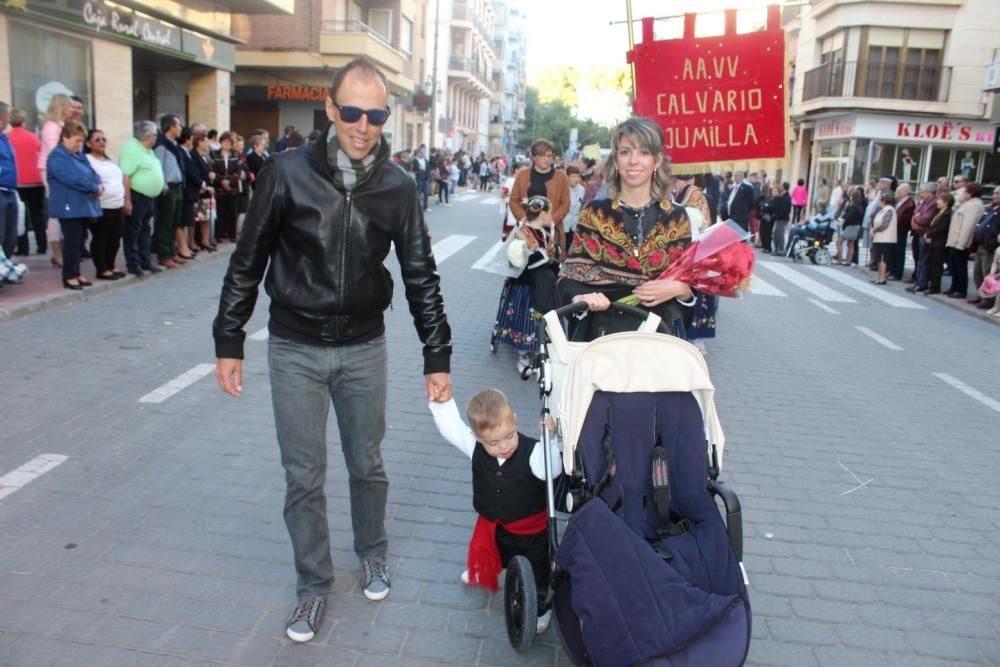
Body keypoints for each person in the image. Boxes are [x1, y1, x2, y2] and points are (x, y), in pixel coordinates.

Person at [213, 56, 453, 645]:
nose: (362, 124)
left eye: (374, 114)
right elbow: (248, 262)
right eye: (351, 111)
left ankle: (372, 552)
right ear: (329, 108)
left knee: (366, 462)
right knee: (304, 475)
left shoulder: (397, 184)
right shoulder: (285, 172)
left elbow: (421, 273)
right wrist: (230, 339)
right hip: (294, 347)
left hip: (364, 348)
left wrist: (437, 355)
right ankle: (313, 585)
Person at [428, 388, 562, 636]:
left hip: (531, 531)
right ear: (476, 437)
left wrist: (549, 441)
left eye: (509, 436)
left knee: (539, 569)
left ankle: (542, 608)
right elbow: (452, 428)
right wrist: (440, 403)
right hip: (496, 524)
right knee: (495, 548)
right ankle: (485, 568)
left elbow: (549, 471)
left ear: (514, 418)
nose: (504, 446)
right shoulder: (474, 446)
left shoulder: (532, 451)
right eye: (493, 442)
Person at [558, 116, 695, 339]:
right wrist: (580, 298)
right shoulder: (595, 212)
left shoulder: (677, 218)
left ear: (657, 160)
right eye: (625, 151)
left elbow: (690, 286)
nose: (633, 160)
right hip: (603, 337)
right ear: (616, 159)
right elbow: (569, 277)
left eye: (643, 152)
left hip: (659, 340)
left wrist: (681, 289)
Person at [493, 195, 560, 374]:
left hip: (543, 285)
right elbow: (521, 260)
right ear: (543, 213)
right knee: (526, 321)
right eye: (550, 212)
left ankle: (536, 354)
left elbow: (550, 257)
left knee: (539, 319)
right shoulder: (522, 232)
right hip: (525, 285)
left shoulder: (545, 233)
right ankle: (524, 356)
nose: (551, 216)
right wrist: (545, 257)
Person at [46, 120, 101, 290]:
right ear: (65, 137)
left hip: (82, 204)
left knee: (79, 241)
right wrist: (93, 187)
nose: (79, 144)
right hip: (68, 205)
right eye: (76, 140)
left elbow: (92, 173)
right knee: (71, 241)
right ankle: (69, 275)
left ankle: (77, 272)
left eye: (81, 141)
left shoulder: (78, 155)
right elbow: (71, 178)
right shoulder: (57, 157)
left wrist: (97, 183)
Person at [509, 139, 571, 260]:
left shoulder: (561, 177)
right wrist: (524, 218)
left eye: (549, 155)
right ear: (534, 157)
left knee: (550, 270)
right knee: (525, 268)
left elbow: (566, 203)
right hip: (527, 231)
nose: (547, 159)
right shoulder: (523, 176)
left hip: (551, 232)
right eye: (542, 156)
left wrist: (550, 220)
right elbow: (513, 200)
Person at [120, 121, 165, 277]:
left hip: (148, 197)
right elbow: (125, 176)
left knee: (145, 229)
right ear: (148, 135)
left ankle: (145, 261)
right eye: (155, 135)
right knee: (133, 231)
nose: (156, 138)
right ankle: (133, 263)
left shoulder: (147, 150)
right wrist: (127, 200)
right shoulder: (132, 149)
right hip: (136, 195)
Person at [84, 129, 126, 280]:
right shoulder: (87, 160)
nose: (102, 142)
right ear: (88, 144)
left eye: (103, 139)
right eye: (97, 140)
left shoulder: (108, 160)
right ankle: (101, 269)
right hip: (102, 205)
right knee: (101, 238)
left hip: (117, 204)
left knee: (115, 238)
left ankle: (111, 265)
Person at [38, 93, 73, 267]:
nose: (72, 109)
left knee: (62, 211)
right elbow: (55, 153)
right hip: (53, 171)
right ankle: (57, 253)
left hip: (62, 170)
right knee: (56, 212)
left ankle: (62, 252)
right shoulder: (51, 127)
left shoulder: (61, 125)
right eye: (69, 106)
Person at [8, 107, 46, 257]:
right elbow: (41, 151)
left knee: (21, 215)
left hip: (17, 181)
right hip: (36, 180)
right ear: (24, 121)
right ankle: (42, 245)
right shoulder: (33, 137)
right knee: (38, 214)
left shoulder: (7, 138)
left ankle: (23, 248)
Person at [153, 114, 187, 268]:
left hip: (178, 186)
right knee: (165, 221)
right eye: (178, 125)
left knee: (175, 221)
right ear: (171, 127)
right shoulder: (161, 145)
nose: (180, 128)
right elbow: (158, 167)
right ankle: (164, 254)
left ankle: (172, 251)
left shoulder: (174, 144)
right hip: (168, 187)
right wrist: (163, 186)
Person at [945, 182, 984, 299]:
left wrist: (961, 243)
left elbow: (968, 225)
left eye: (965, 192)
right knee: (954, 265)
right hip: (956, 240)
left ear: (970, 193)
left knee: (960, 266)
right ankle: (954, 287)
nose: (963, 194)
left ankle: (961, 289)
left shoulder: (974, 205)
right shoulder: (968, 204)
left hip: (960, 241)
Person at [970, 188, 1000, 307]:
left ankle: (988, 300)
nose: (994, 195)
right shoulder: (991, 209)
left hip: (990, 247)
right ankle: (980, 295)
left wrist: (993, 243)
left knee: (987, 273)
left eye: (997, 193)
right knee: (977, 273)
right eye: (994, 193)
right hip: (981, 245)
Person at [212, 132, 242, 243]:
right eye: (225, 141)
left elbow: (238, 172)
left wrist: (229, 181)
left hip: (232, 188)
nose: (227, 144)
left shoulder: (236, 155)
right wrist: (222, 181)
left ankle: (232, 235)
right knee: (220, 212)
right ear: (221, 142)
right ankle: (219, 235)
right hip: (219, 188)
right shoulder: (214, 154)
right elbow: (213, 169)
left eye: (229, 142)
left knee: (232, 212)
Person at [190, 133, 217, 253]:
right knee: (196, 218)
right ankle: (192, 241)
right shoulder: (193, 156)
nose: (207, 144)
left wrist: (212, 175)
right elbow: (194, 173)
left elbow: (208, 170)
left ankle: (205, 240)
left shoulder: (206, 156)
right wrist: (203, 185)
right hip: (198, 190)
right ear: (199, 142)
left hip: (207, 190)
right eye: (205, 141)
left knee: (206, 217)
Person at [923, 192, 953, 295]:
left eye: (940, 200)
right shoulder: (939, 212)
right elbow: (931, 224)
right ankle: (931, 284)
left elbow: (941, 228)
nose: (937, 201)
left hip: (939, 243)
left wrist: (930, 235)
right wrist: (927, 234)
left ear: (946, 202)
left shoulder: (948, 214)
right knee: (931, 264)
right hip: (933, 241)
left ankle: (935, 287)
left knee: (937, 266)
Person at [0, 102, 18, 260]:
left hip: (10, 190)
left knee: (10, 235)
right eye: (8, 116)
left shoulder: (5, 138)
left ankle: (4, 269)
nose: (9, 120)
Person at [869, 191, 897, 285]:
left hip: (886, 239)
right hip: (880, 238)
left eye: (880, 200)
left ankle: (882, 278)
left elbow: (884, 224)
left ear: (884, 201)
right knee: (879, 258)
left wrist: (874, 230)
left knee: (883, 259)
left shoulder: (889, 210)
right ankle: (879, 277)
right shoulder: (883, 210)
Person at [835, 188, 865, 266]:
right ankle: (849, 261)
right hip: (856, 226)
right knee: (850, 243)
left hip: (850, 226)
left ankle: (840, 259)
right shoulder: (859, 207)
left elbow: (848, 217)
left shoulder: (853, 206)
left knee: (839, 241)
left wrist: (843, 220)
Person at [564, 164, 585, 251]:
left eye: (578, 176)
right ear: (567, 176)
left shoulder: (582, 189)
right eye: (573, 176)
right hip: (564, 222)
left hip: (575, 223)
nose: (576, 179)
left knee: (571, 247)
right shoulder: (563, 188)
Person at [771, 181, 792, 256]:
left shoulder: (786, 197)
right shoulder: (782, 196)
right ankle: (777, 248)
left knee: (780, 234)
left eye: (781, 186)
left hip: (782, 218)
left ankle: (780, 249)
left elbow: (784, 209)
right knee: (776, 234)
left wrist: (779, 216)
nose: (780, 187)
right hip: (779, 217)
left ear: (783, 187)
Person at [411, 144, 431, 211]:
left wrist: (428, 177)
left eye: (424, 152)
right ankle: (418, 208)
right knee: (418, 194)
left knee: (426, 194)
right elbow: (412, 170)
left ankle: (425, 207)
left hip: (425, 179)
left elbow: (428, 169)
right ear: (418, 153)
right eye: (422, 152)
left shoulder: (426, 161)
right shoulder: (414, 160)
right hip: (418, 179)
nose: (423, 154)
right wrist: (418, 171)